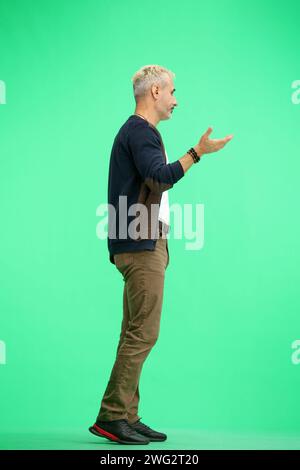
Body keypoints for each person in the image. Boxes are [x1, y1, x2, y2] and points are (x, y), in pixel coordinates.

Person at [89, 65, 233, 445]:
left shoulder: (137, 132)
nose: (175, 99)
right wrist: (197, 153)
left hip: (137, 240)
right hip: (140, 242)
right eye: (171, 91)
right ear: (154, 92)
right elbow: (160, 177)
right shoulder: (140, 131)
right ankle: (111, 416)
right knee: (144, 333)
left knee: (133, 332)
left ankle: (125, 415)